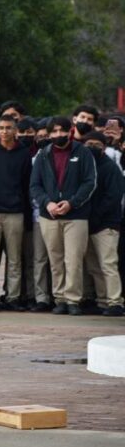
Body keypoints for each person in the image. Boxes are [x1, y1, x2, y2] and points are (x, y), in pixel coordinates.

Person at [30, 116, 96, 316]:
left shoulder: (83, 152)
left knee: (74, 259)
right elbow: (35, 185)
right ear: (49, 134)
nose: (58, 135)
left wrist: (72, 203)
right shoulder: (43, 154)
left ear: (70, 131)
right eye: (54, 132)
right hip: (49, 215)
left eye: (62, 131)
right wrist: (47, 203)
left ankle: (73, 300)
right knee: (55, 259)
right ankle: (59, 299)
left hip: (76, 215)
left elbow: (89, 182)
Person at [0, 115, 32, 311]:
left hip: (15, 212)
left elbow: (27, 184)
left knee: (14, 258)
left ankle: (13, 297)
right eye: (1, 128)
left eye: (8, 127)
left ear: (15, 130)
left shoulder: (24, 153)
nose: (4, 131)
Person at [82, 131, 124, 316]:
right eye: (88, 143)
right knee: (93, 266)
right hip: (88, 224)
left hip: (106, 225)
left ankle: (115, 301)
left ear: (104, 147)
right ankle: (102, 300)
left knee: (108, 264)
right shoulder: (84, 167)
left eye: (96, 144)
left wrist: (97, 216)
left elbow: (113, 196)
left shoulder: (110, 168)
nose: (92, 147)